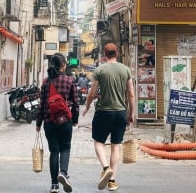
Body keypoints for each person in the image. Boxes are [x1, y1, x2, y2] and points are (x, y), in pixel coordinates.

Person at [82, 43, 135, 191]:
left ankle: (106, 168)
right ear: (117, 54)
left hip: (104, 112)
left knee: (98, 142)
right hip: (120, 113)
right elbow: (131, 94)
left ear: (105, 55)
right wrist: (131, 113)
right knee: (115, 146)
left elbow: (92, 93)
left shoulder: (100, 70)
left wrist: (87, 107)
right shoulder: (125, 70)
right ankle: (112, 181)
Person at [36, 53, 79, 193]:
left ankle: (54, 185)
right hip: (65, 121)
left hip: (49, 121)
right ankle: (63, 172)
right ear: (63, 65)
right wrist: (75, 120)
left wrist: (38, 123)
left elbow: (41, 104)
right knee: (65, 148)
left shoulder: (45, 82)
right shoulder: (70, 80)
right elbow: (76, 103)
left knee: (54, 151)